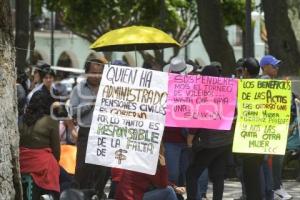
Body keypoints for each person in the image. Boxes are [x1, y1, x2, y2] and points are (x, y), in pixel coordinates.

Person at [186, 65, 233, 200]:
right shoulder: (227, 91)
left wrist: (190, 138)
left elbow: (197, 117)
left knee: (191, 174)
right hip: (225, 141)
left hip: (209, 142)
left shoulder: (203, 92)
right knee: (218, 175)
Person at [69, 58, 108, 198]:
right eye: (93, 72)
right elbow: (72, 112)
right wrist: (91, 103)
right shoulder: (78, 89)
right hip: (86, 134)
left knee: (103, 170)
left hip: (105, 134)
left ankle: (98, 193)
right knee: (83, 169)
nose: (96, 76)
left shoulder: (109, 89)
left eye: (100, 73)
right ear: (86, 73)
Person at [260, 55, 292, 200]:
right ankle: (273, 188)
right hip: (266, 131)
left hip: (275, 129)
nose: (277, 68)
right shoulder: (263, 82)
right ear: (264, 67)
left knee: (276, 159)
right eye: (274, 66)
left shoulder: (275, 83)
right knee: (271, 160)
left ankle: (275, 186)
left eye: (277, 66)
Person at [19, 90, 61, 200]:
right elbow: (57, 152)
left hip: (21, 162)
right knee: (67, 180)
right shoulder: (51, 121)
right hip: (41, 165)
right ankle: (49, 196)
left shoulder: (21, 119)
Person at [115, 145, 181, 200]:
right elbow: (163, 184)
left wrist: (174, 187)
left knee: (166, 189)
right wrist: (163, 166)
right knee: (169, 191)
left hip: (125, 196)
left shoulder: (139, 159)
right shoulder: (147, 165)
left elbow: (157, 179)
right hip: (131, 197)